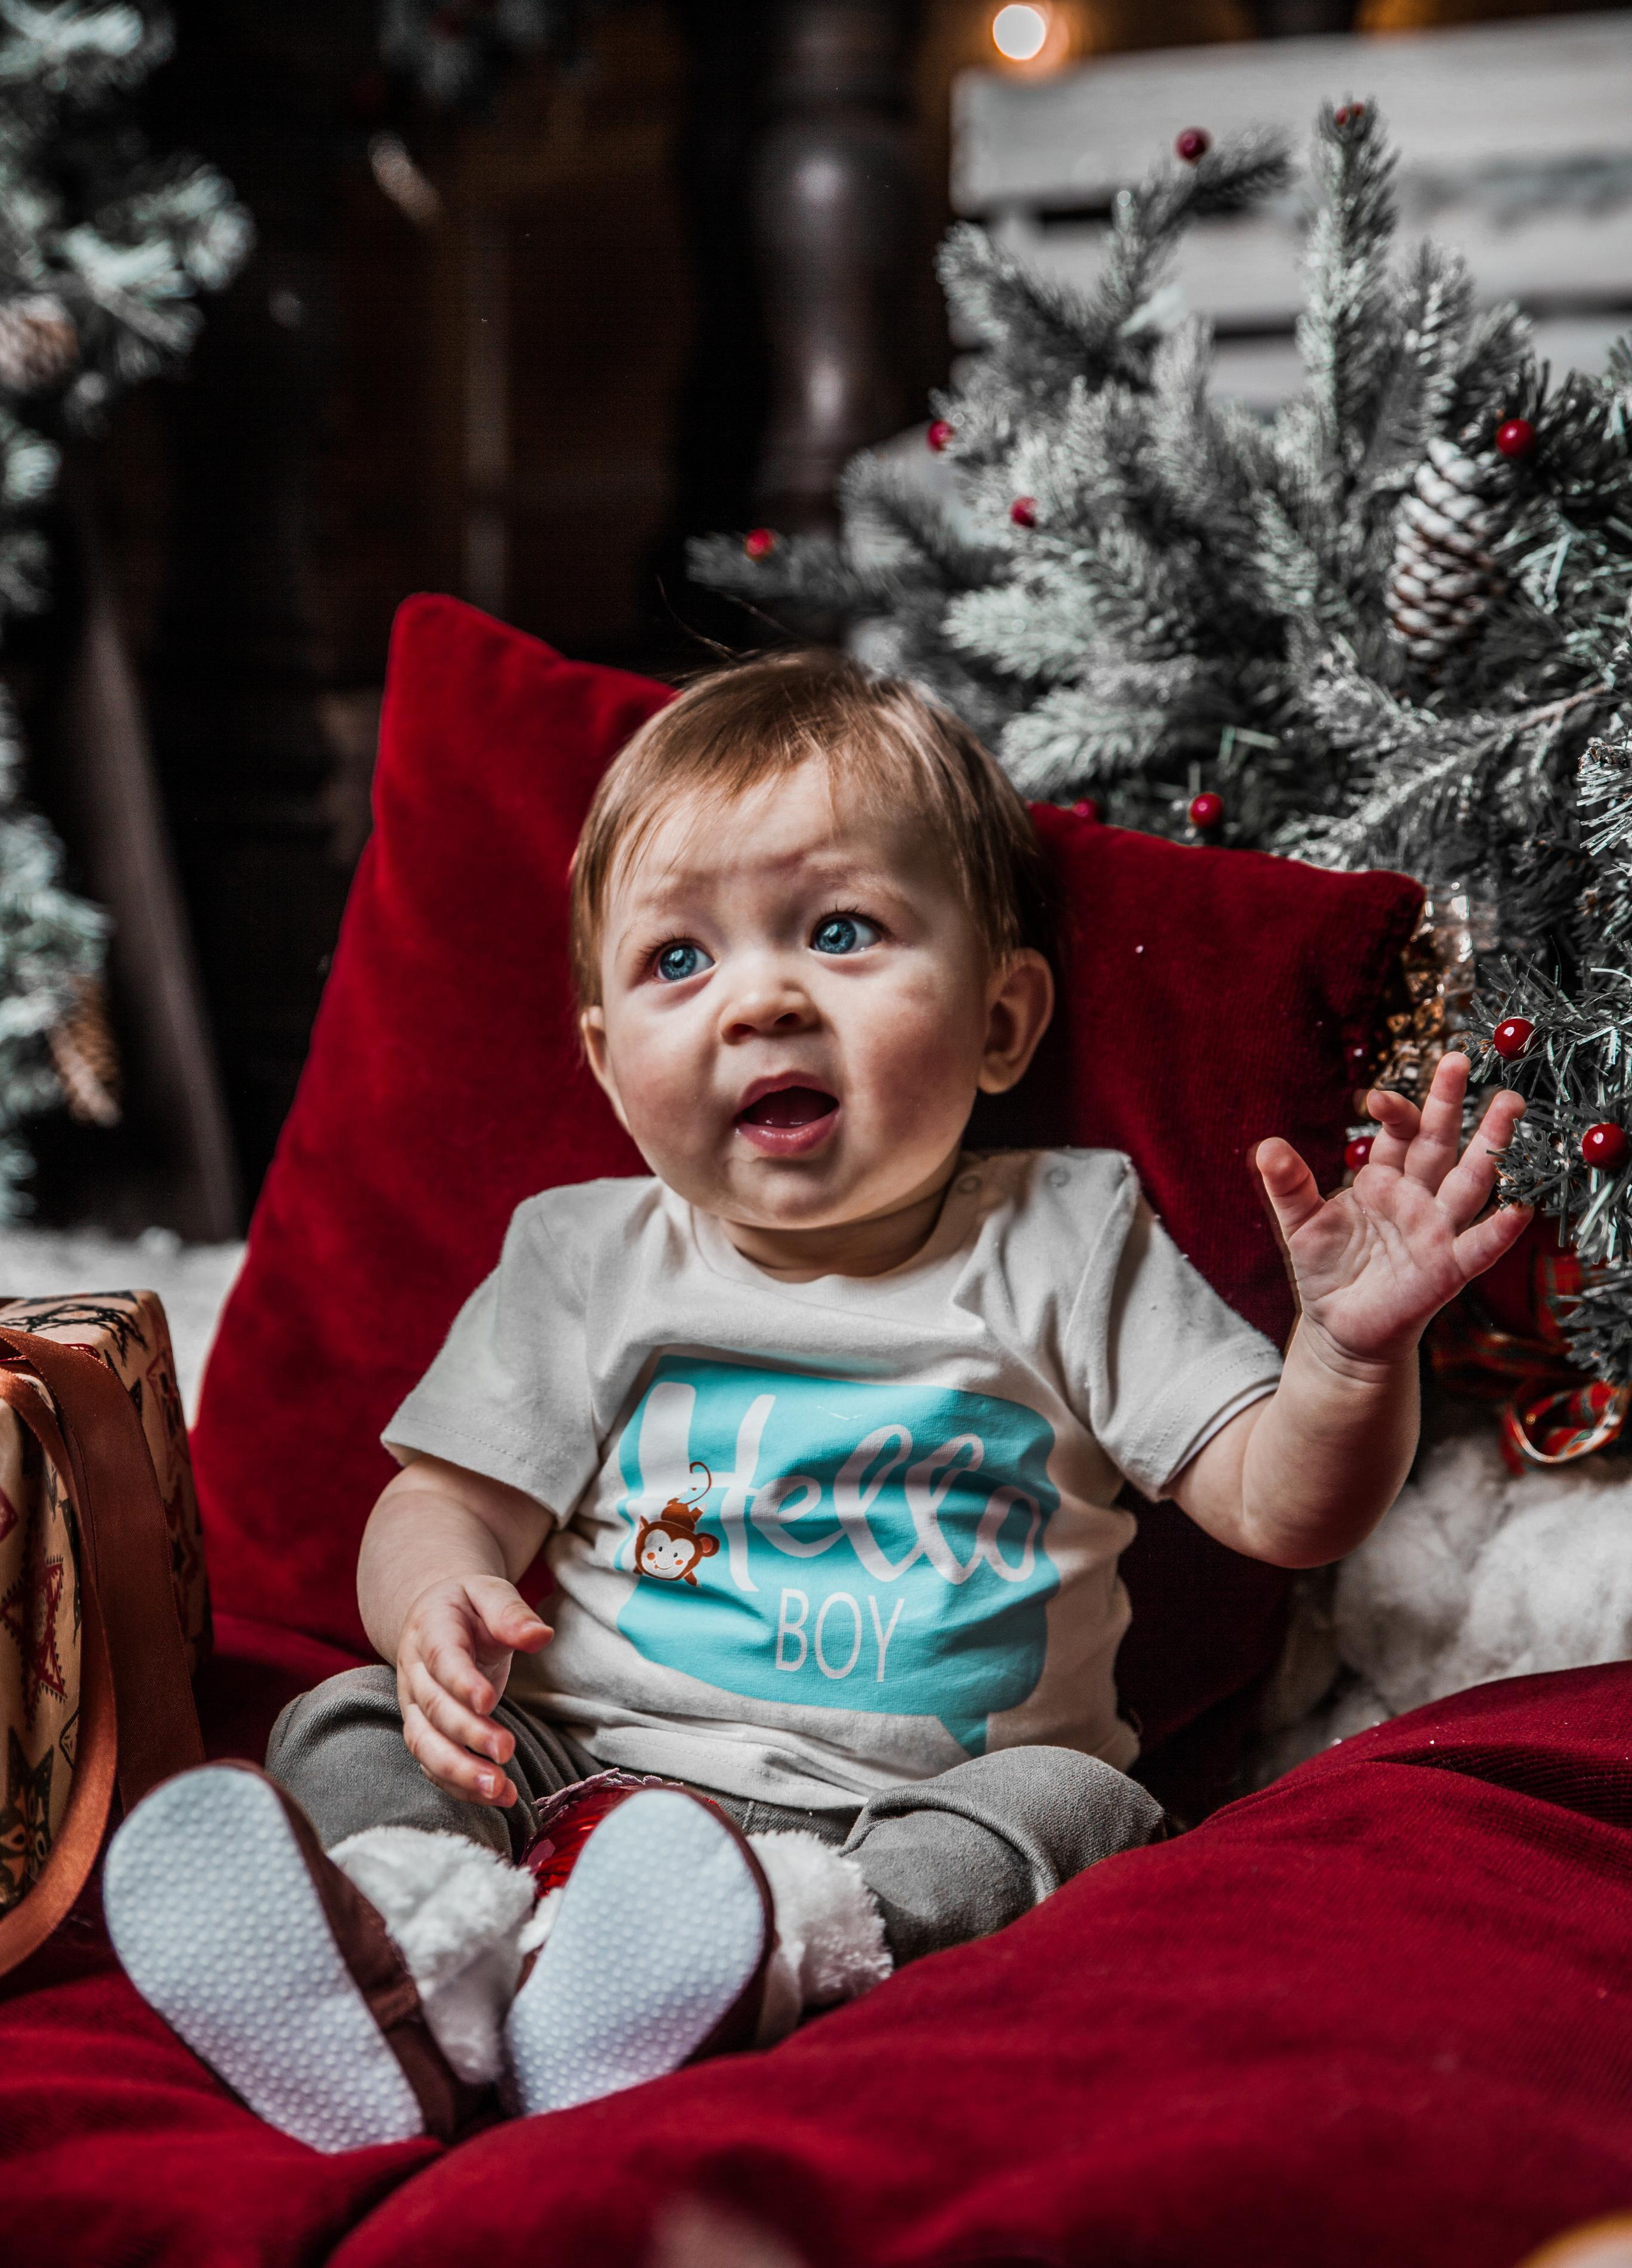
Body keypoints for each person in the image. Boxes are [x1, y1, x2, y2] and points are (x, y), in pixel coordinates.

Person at [104, 651, 1529, 2153]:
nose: (760, 1000)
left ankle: (741, 1965)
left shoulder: (1067, 1234)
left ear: (1000, 1022)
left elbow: (1280, 1510)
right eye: (676, 963)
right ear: (605, 1063)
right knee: (340, 1717)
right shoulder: (588, 1256)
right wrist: (435, 1604)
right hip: (572, 1774)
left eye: (839, 932)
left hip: (892, 1831)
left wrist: (1351, 1359)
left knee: (1082, 1811)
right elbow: (444, 1500)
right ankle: (412, 1953)